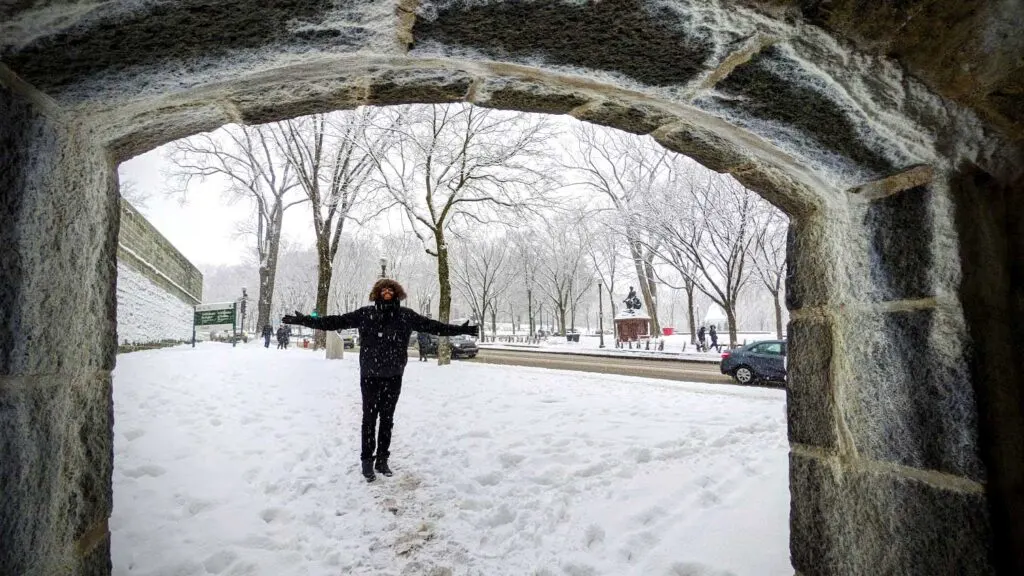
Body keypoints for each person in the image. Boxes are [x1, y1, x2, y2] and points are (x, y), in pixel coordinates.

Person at [282, 278, 479, 483]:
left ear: (397, 293)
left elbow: (433, 327)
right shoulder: (366, 314)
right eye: (383, 289)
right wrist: (306, 321)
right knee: (369, 419)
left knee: (387, 419)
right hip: (370, 375)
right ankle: (367, 462)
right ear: (377, 293)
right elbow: (336, 321)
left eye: (390, 289)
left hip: (394, 375)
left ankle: (382, 460)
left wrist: (460, 330)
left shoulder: (406, 316)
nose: (387, 291)